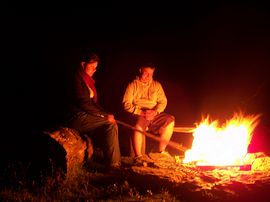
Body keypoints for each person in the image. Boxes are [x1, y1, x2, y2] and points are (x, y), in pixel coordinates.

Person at [67, 51, 121, 170]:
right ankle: (113, 164)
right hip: (76, 117)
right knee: (110, 124)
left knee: (111, 121)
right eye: (91, 67)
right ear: (83, 64)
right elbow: (83, 103)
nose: (94, 70)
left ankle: (111, 161)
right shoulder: (76, 79)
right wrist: (104, 116)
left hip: (84, 115)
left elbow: (93, 104)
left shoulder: (87, 81)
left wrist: (106, 113)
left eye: (95, 68)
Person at [122, 63, 175, 162]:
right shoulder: (132, 85)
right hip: (139, 113)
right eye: (146, 73)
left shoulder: (157, 85)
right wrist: (141, 112)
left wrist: (155, 111)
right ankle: (139, 156)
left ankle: (161, 153)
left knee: (170, 120)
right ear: (140, 70)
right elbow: (126, 104)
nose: (148, 76)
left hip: (153, 113)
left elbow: (163, 101)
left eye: (151, 74)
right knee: (140, 124)